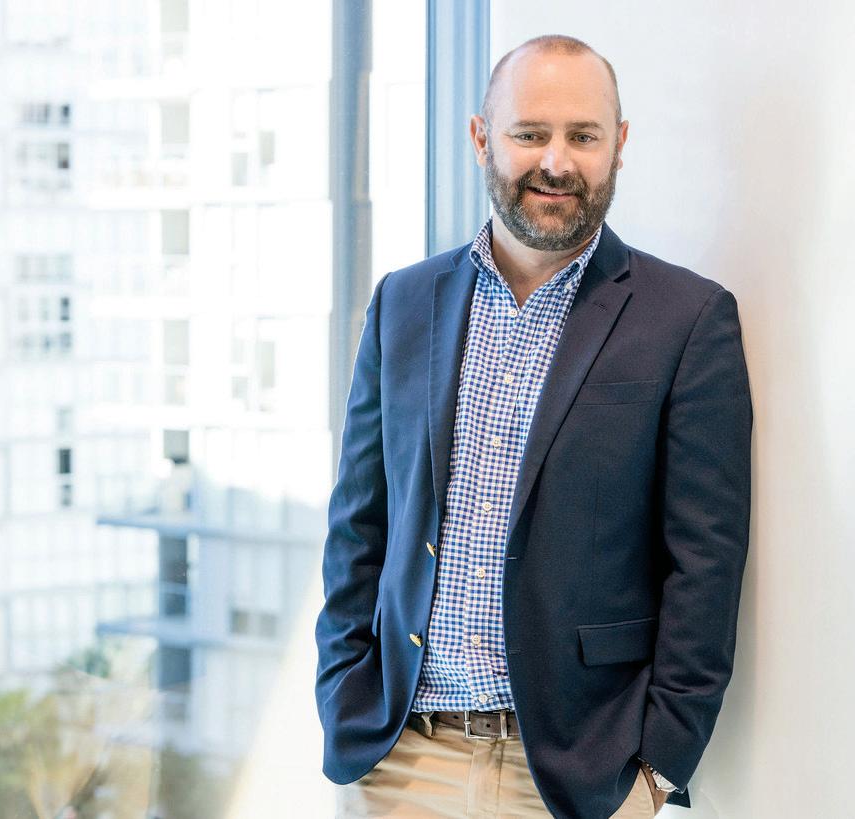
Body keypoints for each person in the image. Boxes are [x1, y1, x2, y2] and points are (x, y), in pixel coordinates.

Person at [313, 33, 753, 819]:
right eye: (529, 133)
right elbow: (359, 524)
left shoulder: (687, 319)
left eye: (582, 136)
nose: (556, 161)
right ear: (481, 137)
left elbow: (706, 564)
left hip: (574, 776)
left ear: (618, 144)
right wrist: (343, 693)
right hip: (401, 760)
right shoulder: (401, 303)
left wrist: (657, 768)